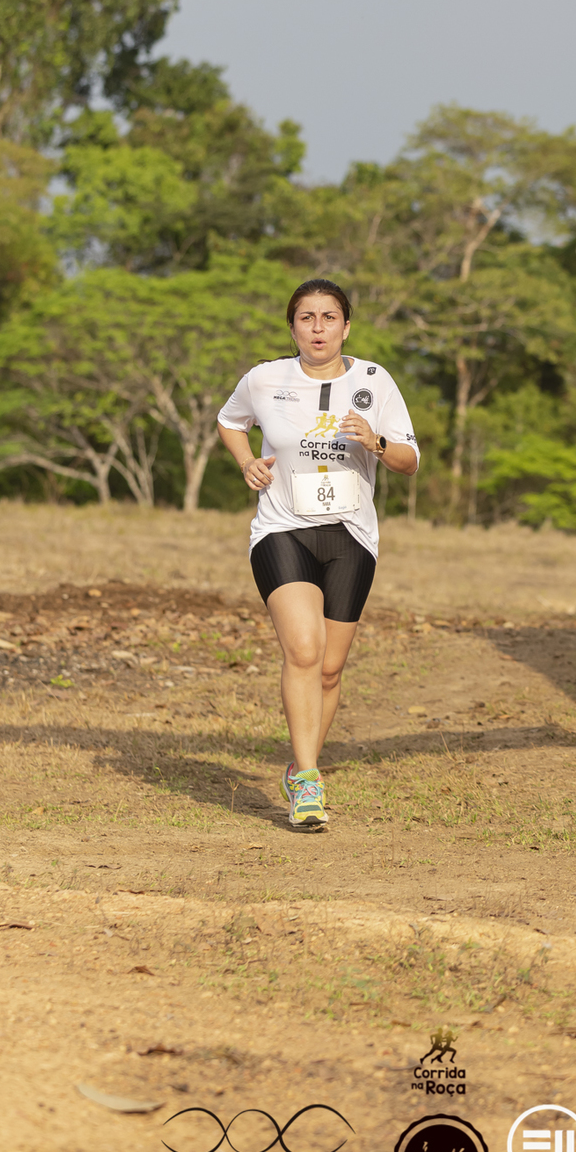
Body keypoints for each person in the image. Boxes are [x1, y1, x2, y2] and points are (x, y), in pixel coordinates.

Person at [216, 279, 419, 828]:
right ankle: (308, 780)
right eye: (306, 318)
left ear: (346, 327)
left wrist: (375, 442)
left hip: (351, 535)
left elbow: (409, 461)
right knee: (304, 652)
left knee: (329, 670)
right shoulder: (264, 378)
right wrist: (246, 462)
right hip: (282, 528)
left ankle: (297, 766)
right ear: (292, 328)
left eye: (329, 317)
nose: (318, 328)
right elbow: (230, 421)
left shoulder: (374, 381)